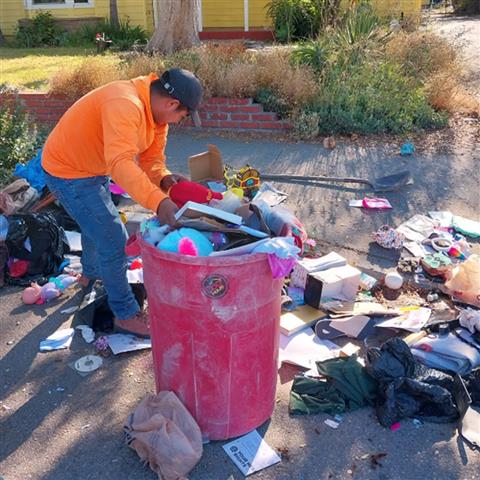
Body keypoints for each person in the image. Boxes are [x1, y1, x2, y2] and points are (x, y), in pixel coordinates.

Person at [42, 68, 203, 337]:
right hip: (67, 171)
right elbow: (120, 165)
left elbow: (152, 162)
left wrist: (163, 180)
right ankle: (125, 314)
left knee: (96, 225)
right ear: (172, 104)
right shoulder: (125, 103)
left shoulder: (156, 115)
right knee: (113, 239)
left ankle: (91, 273)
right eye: (182, 116)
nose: (177, 121)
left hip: (92, 166)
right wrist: (160, 203)